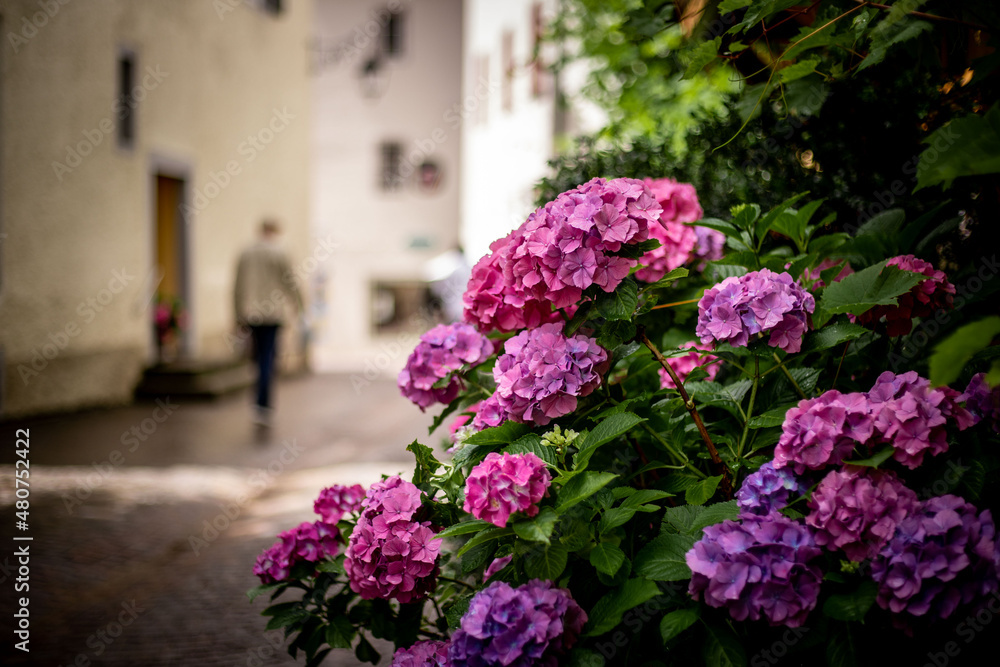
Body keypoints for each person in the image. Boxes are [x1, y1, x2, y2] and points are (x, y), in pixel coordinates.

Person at [234, 219, 303, 425]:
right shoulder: (279, 252)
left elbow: (237, 286)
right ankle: (263, 403)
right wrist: (299, 306)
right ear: (273, 231)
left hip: (251, 313)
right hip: (273, 314)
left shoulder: (245, 253)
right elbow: (291, 282)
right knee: (267, 357)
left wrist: (237, 314)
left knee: (257, 357)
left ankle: (259, 400)